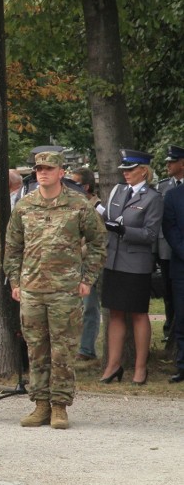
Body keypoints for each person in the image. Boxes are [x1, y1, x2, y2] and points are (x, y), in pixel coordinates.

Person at [4, 152, 106, 429]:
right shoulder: (25, 206)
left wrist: (88, 278)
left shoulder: (78, 205)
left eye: (49, 168)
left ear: (61, 171)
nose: (43, 172)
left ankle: (59, 406)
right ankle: (40, 404)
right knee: (37, 349)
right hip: (32, 289)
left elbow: (98, 242)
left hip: (65, 290)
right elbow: (12, 247)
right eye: (39, 168)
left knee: (63, 349)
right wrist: (15, 282)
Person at [99, 150, 163, 386]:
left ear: (143, 171)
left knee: (138, 314)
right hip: (114, 260)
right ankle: (113, 365)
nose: (125, 174)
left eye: (130, 169)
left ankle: (140, 367)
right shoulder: (119, 191)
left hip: (136, 263)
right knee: (115, 313)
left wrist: (123, 230)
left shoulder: (152, 197)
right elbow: (109, 217)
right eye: (124, 170)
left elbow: (150, 234)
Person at [69, 168, 104, 361]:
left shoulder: (97, 208)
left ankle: (87, 348)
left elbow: (96, 240)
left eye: (75, 183)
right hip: (73, 263)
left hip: (87, 262)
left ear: (86, 186)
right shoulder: (75, 205)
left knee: (89, 306)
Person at [156, 146, 184, 341]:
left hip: (178, 247)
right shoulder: (163, 186)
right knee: (168, 292)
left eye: (172, 162)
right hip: (167, 248)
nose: (168, 165)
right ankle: (169, 330)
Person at [162, 168, 184, 383]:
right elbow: (170, 229)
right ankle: (183, 366)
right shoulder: (173, 195)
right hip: (182, 266)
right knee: (182, 319)